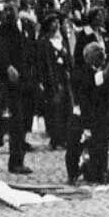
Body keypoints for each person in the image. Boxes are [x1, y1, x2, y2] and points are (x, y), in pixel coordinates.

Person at [66, 40, 109, 185]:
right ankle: (72, 174)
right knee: (74, 146)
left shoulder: (105, 72)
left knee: (101, 145)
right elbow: (88, 85)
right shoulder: (80, 71)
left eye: (102, 51)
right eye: (97, 51)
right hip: (82, 114)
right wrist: (105, 74)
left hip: (100, 115)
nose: (101, 54)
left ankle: (99, 173)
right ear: (88, 56)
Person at [0, 3, 37, 174]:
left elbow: (32, 51)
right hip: (10, 83)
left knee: (25, 120)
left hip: (27, 81)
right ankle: (15, 161)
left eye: (12, 10)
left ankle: (20, 157)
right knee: (15, 122)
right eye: (7, 10)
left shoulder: (27, 28)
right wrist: (7, 67)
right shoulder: (0, 31)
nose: (10, 13)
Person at [36, 13, 73, 150]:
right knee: (53, 108)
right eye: (53, 22)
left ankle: (65, 137)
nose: (56, 25)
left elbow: (69, 58)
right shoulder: (44, 42)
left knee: (66, 106)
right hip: (51, 77)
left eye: (57, 22)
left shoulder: (62, 40)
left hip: (64, 75)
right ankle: (55, 137)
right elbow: (41, 63)